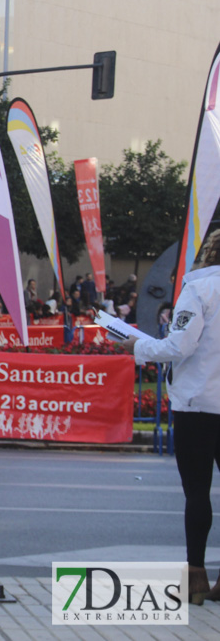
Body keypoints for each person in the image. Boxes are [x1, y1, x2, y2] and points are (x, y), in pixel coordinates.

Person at [126, 229, 220, 604]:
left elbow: (179, 345)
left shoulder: (200, 288)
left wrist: (138, 345)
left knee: (197, 492)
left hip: (198, 402)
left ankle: (195, 574)